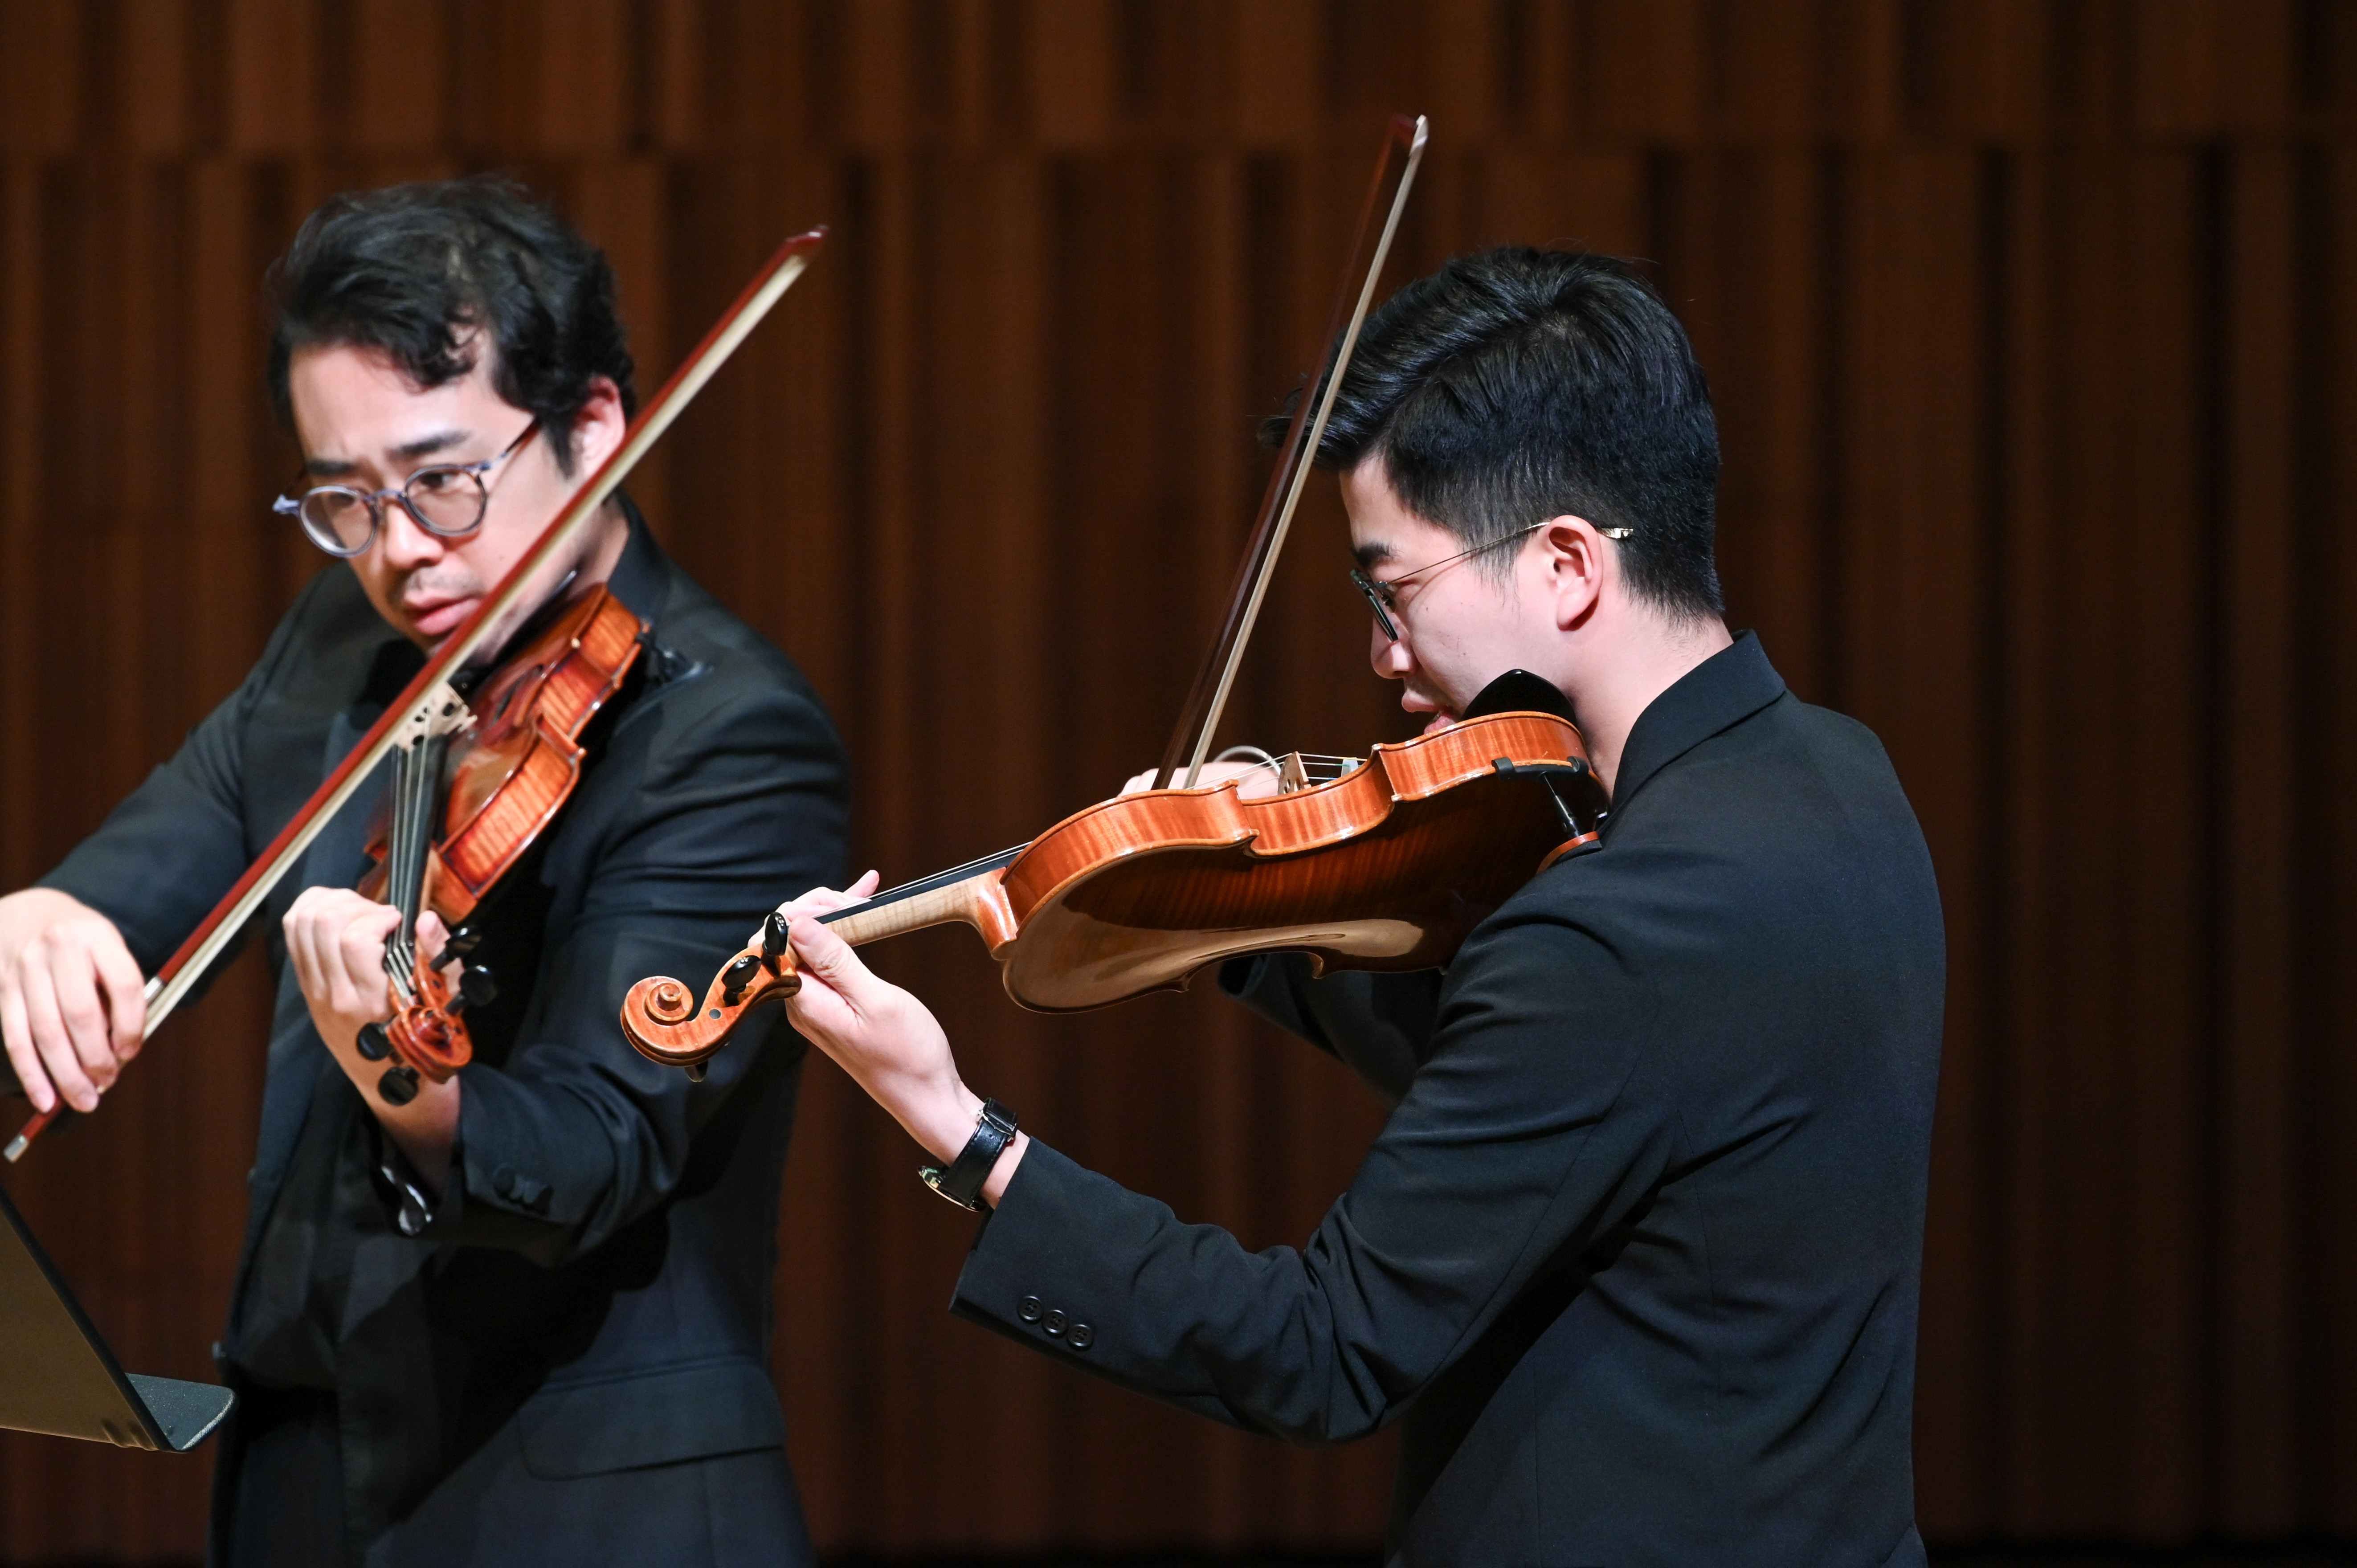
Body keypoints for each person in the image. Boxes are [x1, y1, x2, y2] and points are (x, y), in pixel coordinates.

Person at [768, 248, 1943, 1566]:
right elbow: (1564, 1108)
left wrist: (958, 1128)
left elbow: (1321, 1350)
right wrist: (1238, 907)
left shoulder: (1618, 925)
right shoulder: (1834, 775)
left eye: (1394, 594)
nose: (1382, 658)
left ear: (1564, 564)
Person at [0, 179, 848, 1567]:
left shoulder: (728, 735)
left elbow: (598, 1147)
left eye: (443, 483)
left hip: (575, 1507)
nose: (397, 552)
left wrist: (407, 1076)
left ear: (593, 429)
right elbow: (185, 829)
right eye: (343, 499)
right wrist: (48, 914)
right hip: (301, 1485)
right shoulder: (343, 640)